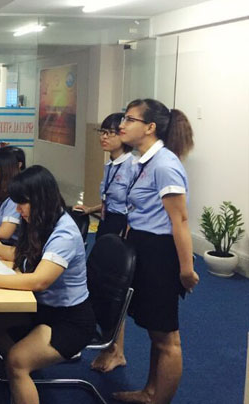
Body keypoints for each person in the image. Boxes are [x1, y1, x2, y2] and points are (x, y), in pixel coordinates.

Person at [0, 165, 95, 404]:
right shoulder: (43, 220)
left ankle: (19, 368)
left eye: (22, 203)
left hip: (69, 319)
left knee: (17, 362)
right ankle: (19, 368)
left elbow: (39, 280)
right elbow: (25, 256)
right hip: (43, 308)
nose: (18, 209)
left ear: (40, 199)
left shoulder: (64, 234)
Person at [110, 99, 197, 403]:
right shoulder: (143, 161)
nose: (121, 125)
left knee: (167, 338)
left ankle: (159, 399)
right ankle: (149, 392)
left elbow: (180, 221)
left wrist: (186, 270)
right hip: (143, 247)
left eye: (129, 119)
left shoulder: (165, 165)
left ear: (150, 127)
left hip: (160, 253)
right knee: (155, 333)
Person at [74, 112, 134, 241]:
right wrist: (90, 209)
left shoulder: (133, 166)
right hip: (105, 220)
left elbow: (135, 207)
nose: (104, 137)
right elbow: (112, 201)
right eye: (102, 132)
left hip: (122, 226)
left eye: (110, 133)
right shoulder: (110, 164)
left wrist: (127, 234)